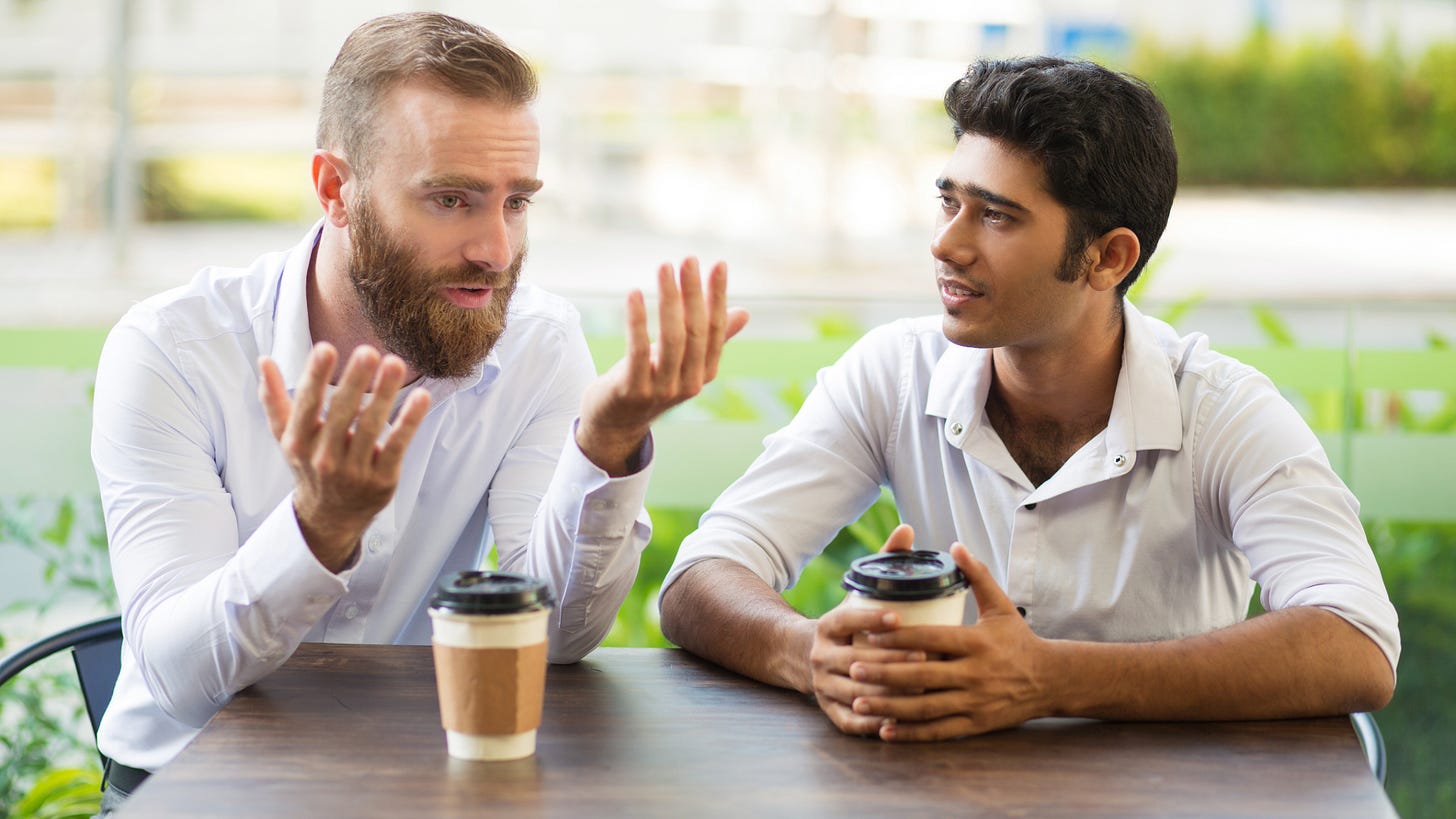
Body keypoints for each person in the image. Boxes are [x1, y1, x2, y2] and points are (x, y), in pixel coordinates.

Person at [90, 11, 748, 810]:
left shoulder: (537, 345)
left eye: (516, 203)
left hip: (419, 785)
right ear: (336, 189)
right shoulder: (172, 350)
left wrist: (606, 444)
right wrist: (317, 531)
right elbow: (179, 679)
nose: (496, 251)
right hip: (192, 788)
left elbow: (556, 640)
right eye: (451, 200)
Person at [658, 56, 1398, 742]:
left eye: (996, 215)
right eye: (947, 201)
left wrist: (1047, 677)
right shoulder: (894, 371)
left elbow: (1357, 644)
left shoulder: (1221, 411)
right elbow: (700, 579)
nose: (947, 244)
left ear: (1107, 256)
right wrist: (807, 651)